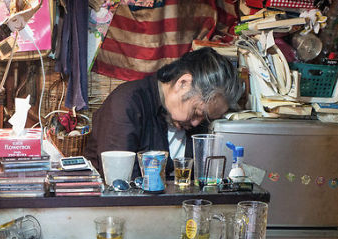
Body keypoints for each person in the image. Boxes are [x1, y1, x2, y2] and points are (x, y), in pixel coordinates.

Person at [84, 47, 243, 177]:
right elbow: (120, 186)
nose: (196, 123)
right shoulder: (127, 104)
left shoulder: (196, 123)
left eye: (206, 119)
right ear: (183, 83)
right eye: (196, 112)